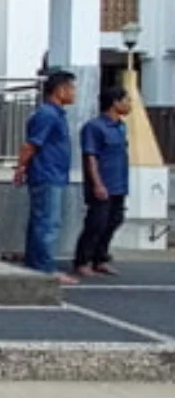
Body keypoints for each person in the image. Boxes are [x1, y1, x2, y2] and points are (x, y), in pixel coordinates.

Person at [13, 70, 79, 285]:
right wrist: (20, 167)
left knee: (42, 220)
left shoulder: (54, 114)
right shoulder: (48, 115)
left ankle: (35, 263)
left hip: (52, 173)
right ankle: (45, 267)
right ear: (60, 90)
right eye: (71, 88)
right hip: (47, 173)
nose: (74, 93)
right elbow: (31, 145)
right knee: (48, 222)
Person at [73, 86, 131, 277]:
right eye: (126, 100)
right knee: (96, 222)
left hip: (118, 183)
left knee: (114, 220)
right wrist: (97, 183)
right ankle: (82, 260)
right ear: (115, 103)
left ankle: (100, 257)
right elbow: (91, 156)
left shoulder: (121, 126)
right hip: (102, 183)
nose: (129, 104)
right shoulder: (94, 127)